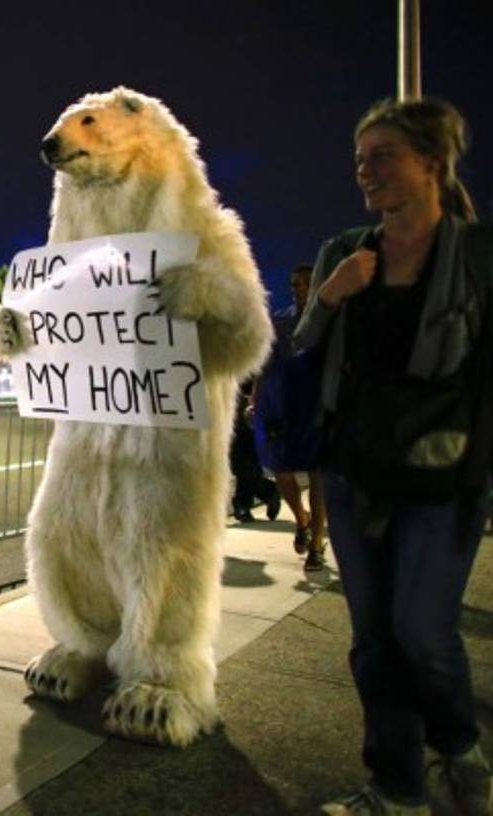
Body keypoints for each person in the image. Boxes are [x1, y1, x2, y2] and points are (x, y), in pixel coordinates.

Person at [294, 98, 492, 815]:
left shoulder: (477, 255)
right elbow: (304, 347)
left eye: (382, 156)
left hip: (444, 478)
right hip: (354, 474)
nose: (364, 172)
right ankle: (397, 787)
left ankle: (460, 744)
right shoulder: (345, 250)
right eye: (358, 160)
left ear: (432, 164)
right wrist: (332, 298)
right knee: (374, 642)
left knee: (420, 628)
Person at [247, 264, 328, 571]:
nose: (299, 288)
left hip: (317, 405)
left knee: (320, 473)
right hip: (280, 404)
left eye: (306, 283)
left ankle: (317, 544)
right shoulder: (279, 320)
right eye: (294, 283)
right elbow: (264, 362)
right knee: (280, 470)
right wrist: (254, 397)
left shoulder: (330, 319)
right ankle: (302, 519)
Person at [231, 378, 281, 523]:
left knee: (243, 455)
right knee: (240, 457)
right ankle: (265, 492)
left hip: (252, 399)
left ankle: (245, 502)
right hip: (230, 395)